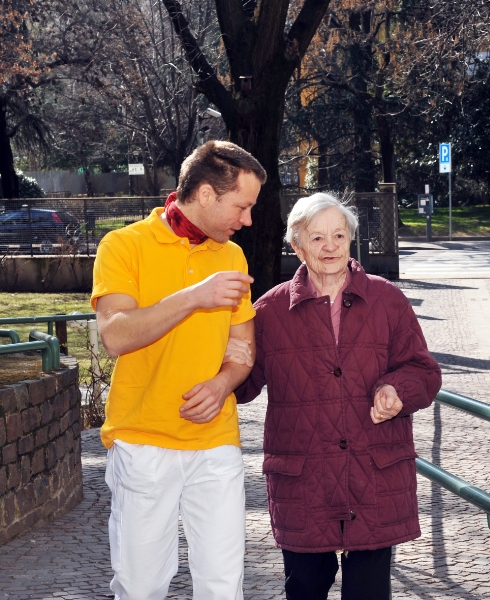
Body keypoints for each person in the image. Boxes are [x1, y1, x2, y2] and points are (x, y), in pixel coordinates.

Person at [232, 193, 442, 600]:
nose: (330, 246)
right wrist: (219, 346)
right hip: (304, 479)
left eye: (339, 236)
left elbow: (423, 371)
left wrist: (396, 390)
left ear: (350, 240)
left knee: (368, 591)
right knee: (305, 587)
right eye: (317, 238)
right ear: (297, 247)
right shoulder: (269, 311)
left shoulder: (387, 300)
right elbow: (243, 385)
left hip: (373, 472)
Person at [90, 141, 266, 600]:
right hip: (143, 440)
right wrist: (193, 297)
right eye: (241, 206)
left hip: (216, 443)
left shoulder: (232, 256)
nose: (248, 219)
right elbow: (115, 335)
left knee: (223, 586)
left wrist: (223, 383)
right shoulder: (123, 245)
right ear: (206, 194)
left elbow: (243, 349)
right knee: (142, 585)